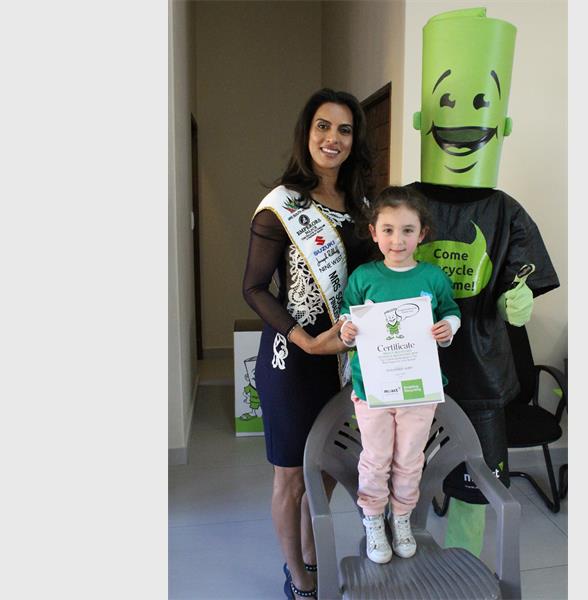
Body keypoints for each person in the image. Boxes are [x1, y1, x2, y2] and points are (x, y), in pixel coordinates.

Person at [406, 8, 561, 555]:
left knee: (475, 480)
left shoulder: (505, 210)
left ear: (503, 125)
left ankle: (465, 568)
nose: (465, 119)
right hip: (410, 368)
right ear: (423, 119)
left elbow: (526, 273)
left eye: (480, 103)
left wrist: (520, 298)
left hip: (481, 373)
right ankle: (410, 557)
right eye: (447, 102)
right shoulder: (404, 205)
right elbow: (369, 278)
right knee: (407, 473)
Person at [242, 88, 374, 599]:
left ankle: (314, 555)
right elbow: (254, 288)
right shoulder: (282, 205)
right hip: (294, 360)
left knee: (330, 469)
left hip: (346, 359)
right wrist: (305, 341)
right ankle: (298, 578)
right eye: (323, 126)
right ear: (307, 132)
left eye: (344, 129)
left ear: (354, 140)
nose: (332, 138)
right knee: (292, 477)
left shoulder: (363, 206)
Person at [339, 186, 461, 564]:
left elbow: (451, 311)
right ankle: (374, 520)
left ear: (422, 234)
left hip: (418, 390)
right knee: (376, 458)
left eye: (408, 230)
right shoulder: (364, 277)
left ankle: (402, 517)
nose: (397, 240)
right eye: (388, 230)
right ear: (373, 232)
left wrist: (448, 328)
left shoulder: (433, 277)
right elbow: (347, 315)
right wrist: (347, 331)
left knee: (409, 458)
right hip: (372, 389)